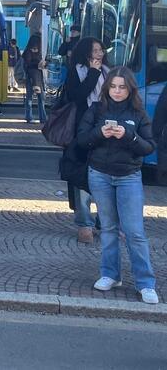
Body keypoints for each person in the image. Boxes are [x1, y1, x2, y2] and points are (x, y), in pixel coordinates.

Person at [76, 67, 159, 304]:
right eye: (113, 86)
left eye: (122, 87)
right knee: (109, 228)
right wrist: (100, 133)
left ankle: (146, 283)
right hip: (99, 174)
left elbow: (149, 147)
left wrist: (129, 136)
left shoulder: (139, 113)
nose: (117, 91)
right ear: (107, 88)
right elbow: (81, 140)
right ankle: (110, 274)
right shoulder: (96, 109)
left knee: (134, 231)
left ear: (129, 89)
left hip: (129, 176)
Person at [63, 36, 109, 244]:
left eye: (101, 50)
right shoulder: (78, 71)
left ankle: (105, 222)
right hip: (81, 130)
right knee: (81, 176)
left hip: (105, 128)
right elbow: (78, 96)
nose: (100, 53)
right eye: (96, 50)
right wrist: (93, 73)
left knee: (106, 174)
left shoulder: (109, 71)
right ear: (87, 53)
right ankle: (84, 223)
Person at [22, 34, 47, 124]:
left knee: (38, 98)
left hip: (38, 77)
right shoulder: (28, 52)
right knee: (33, 98)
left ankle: (41, 117)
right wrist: (38, 64)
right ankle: (31, 117)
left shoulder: (37, 52)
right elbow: (28, 65)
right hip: (31, 77)